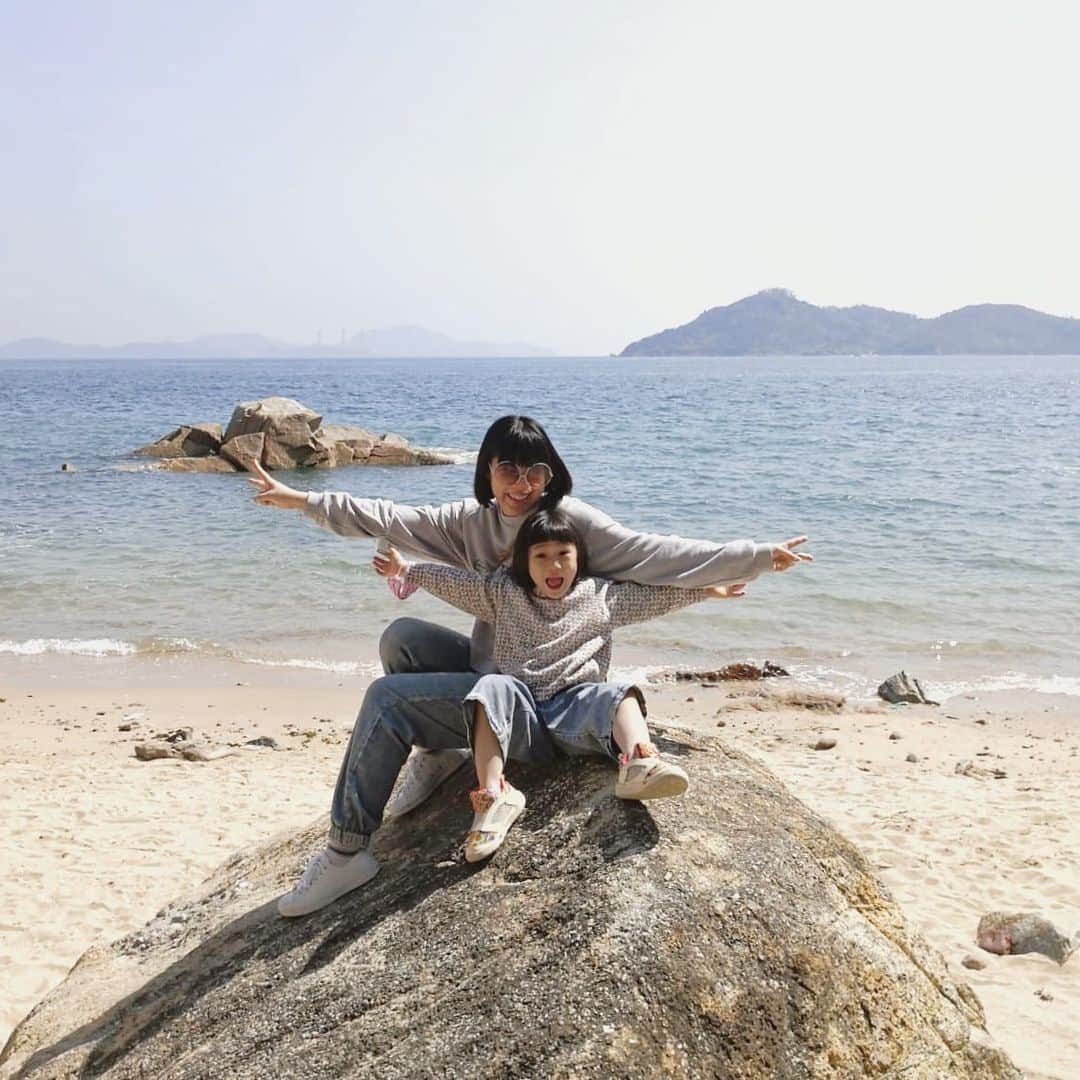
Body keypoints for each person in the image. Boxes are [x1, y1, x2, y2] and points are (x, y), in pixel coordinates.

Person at [248, 415, 811, 915]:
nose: (523, 486)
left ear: (552, 474)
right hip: (495, 677)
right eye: (508, 471)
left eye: (535, 472)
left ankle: (346, 852)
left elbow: (657, 559)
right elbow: (389, 518)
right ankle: (441, 753)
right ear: (487, 473)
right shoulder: (468, 525)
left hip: (544, 694)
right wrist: (302, 500)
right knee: (403, 639)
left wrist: (756, 556)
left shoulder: (573, 530)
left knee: (387, 699)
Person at [372, 509, 746, 863]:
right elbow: (456, 583)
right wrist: (407, 570)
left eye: (563, 554)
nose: (554, 566)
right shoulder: (504, 594)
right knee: (490, 687)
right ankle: (494, 797)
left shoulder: (602, 597)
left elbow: (657, 597)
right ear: (525, 562)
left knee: (620, 695)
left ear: (578, 558)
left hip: (574, 709)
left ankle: (639, 763)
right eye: (541, 556)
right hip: (521, 719)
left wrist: (708, 591)